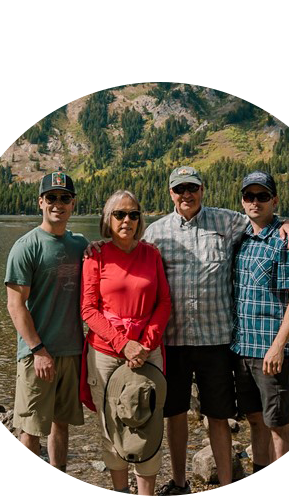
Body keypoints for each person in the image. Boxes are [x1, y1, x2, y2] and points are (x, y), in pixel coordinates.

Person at [142, 166, 289, 496]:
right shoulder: (155, 233)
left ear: (203, 190)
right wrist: (97, 248)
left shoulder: (227, 221)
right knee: (175, 414)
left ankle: (228, 490)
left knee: (218, 417)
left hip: (216, 342)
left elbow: (263, 220)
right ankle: (179, 482)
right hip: (172, 342)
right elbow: (131, 256)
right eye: (179, 189)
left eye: (193, 188)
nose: (186, 194)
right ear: (170, 193)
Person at [80, 190, 171, 496]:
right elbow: (88, 309)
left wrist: (145, 344)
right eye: (120, 214)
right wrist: (123, 344)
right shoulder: (95, 255)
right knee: (111, 429)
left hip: (148, 354)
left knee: (149, 424)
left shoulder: (151, 254)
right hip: (106, 355)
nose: (127, 220)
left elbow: (163, 304)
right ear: (108, 219)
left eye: (133, 214)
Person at [5, 172, 89, 496]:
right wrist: (37, 349)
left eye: (64, 198)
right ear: (40, 202)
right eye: (50, 198)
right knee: (30, 429)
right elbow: (15, 305)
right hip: (36, 355)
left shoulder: (80, 245)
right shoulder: (25, 246)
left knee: (61, 424)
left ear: (73, 204)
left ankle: (58, 489)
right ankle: (27, 492)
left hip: (71, 351)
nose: (57, 204)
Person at [230, 171, 289, 496]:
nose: (255, 202)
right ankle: (258, 487)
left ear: (274, 200)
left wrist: (279, 346)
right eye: (250, 196)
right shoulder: (239, 237)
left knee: (277, 425)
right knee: (255, 421)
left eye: (263, 196)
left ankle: (274, 492)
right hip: (241, 349)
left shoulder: (288, 241)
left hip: (272, 352)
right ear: (242, 201)